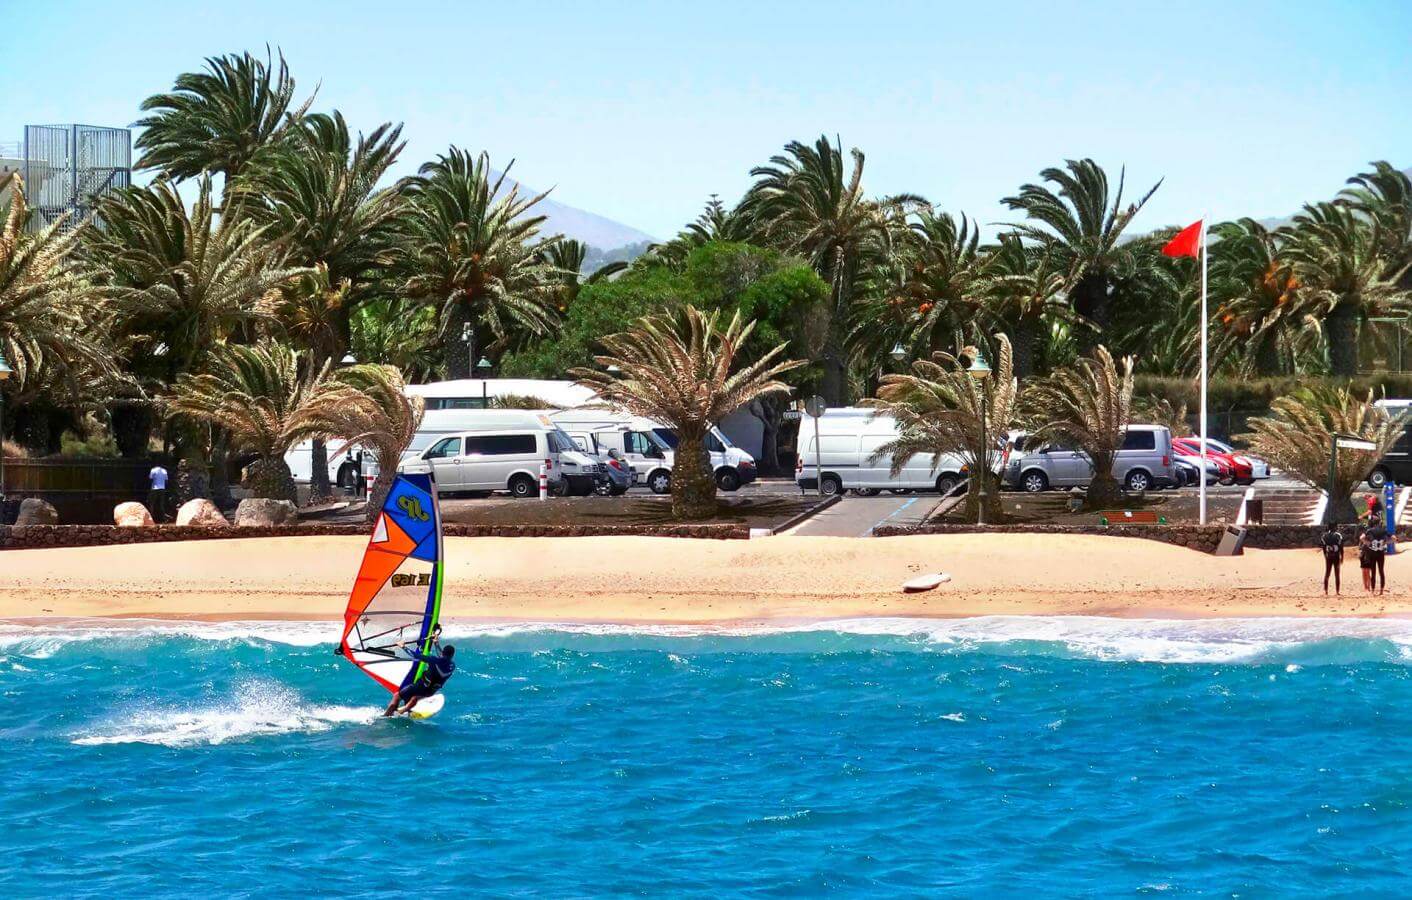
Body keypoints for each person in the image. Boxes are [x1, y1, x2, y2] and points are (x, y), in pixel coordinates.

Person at [382, 638, 456, 716]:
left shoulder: (434, 660)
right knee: (415, 698)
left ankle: (386, 716)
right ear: (452, 655)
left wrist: (403, 646)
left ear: (443, 653)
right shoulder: (452, 666)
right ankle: (404, 711)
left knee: (397, 696)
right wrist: (436, 643)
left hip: (421, 686)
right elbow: (443, 657)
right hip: (431, 691)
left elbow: (416, 656)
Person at [1320, 524, 1344, 595]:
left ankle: (1326, 590)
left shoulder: (1324, 536)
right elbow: (1341, 547)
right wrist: (1342, 556)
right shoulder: (1338, 535)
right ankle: (1337, 591)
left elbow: (1324, 548)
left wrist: (1325, 556)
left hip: (1329, 556)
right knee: (1337, 573)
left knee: (1327, 573)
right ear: (1334, 527)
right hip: (1336, 556)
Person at [1368, 523, 1390, 595]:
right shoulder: (1383, 530)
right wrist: (1385, 543)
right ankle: (1381, 590)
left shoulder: (1370, 530)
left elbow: (1361, 538)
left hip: (1372, 552)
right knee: (1381, 571)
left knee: (1373, 572)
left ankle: (1373, 590)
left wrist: (1368, 544)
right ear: (1379, 523)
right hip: (1380, 553)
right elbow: (1394, 538)